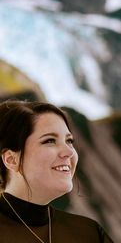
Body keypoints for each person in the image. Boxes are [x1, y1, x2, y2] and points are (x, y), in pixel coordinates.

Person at [0, 100, 114, 243]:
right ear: (11, 160)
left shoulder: (89, 233)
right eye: (49, 141)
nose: (69, 152)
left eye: (69, 141)